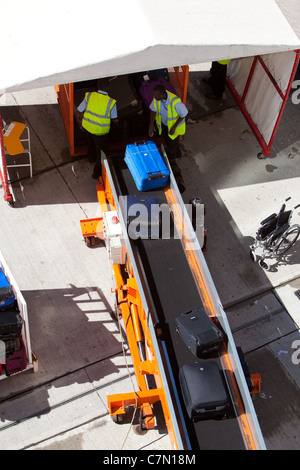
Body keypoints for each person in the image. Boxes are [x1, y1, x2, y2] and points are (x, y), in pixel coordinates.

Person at [77, 78, 118, 179]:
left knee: (90, 143)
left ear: (97, 86)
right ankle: (96, 174)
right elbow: (114, 118)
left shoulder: (89, 96)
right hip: (100, 132)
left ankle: (90, 158)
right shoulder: (111, 102)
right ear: (108, 87)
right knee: (102, 153)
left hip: (87, 126)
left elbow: (79, 109)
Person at [148, 84, 188, 161]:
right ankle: (177, 153)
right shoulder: (157, 99)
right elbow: (153, 110)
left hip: (174, 127)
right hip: (165, 125)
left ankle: (171, 159)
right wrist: (151, 125)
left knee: (172, 143)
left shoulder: (175, 102)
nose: (154, 96)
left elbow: (184, 114)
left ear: (163, 94)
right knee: (168, 141)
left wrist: (174, 127)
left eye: (156, 94)